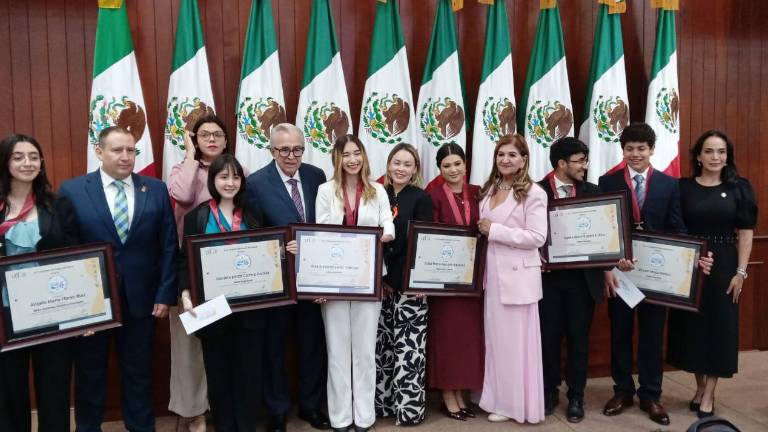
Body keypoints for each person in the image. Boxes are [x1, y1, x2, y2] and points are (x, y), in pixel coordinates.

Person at [59, 126, 178, 432]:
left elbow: (167, 246)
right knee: (90, 371)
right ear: (99, 152)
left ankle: (141, 427)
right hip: (92, 303)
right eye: (117, 150)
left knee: (138, 371)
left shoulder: (155, 188)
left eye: (131, 150)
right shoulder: (72, 191)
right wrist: (76, 306)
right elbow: (66, 251)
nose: (126, 157)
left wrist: (165, 294)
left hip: (142, 300)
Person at [598, 122, 689, 426]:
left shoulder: (669, 185)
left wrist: (682, 261)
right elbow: (603, 231)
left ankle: (651, 394)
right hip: (621, 276)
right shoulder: (607, 182)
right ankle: (623, 390)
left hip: (656, 277)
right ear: (622, 150)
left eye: (641, 148)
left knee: (651, 336)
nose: (635, 154)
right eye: (629, 148)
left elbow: (677, 228)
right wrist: (611, 263)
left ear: (652, 150)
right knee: (620, 334)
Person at [246, 123, 330, 431]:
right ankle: (277, 410)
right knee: (275, 347)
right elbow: (253, 235)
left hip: (313, 277)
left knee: (312, 344)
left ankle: (310, 406)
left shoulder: (316, 175)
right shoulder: (255, 183)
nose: (291, 156)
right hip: (277, 281)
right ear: (271, 150)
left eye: (297, 149)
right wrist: (281, 246)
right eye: (284, 149)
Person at [667, 130, 757, 418]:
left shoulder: (739, 187)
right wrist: (689, 258)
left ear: (727, 155)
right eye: (709, 151)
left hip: (725, 266)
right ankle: (699, 385)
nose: (715, 157)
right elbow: (675, 227)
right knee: (691, 330)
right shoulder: (683, 187)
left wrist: (741, 272)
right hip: (690, 265)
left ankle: (709, 394)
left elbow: (745, 232)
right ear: (698, 155)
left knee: (720, 328)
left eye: (721, 151)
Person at [177, 154, 266, 431]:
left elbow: (265, 256)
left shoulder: (253, 215)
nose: (230, 183)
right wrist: (185, 293)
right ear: (213, 180)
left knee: (249, 374)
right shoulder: (197, 217)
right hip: (211, 311)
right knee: (218, 374)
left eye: (235, 177)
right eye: (224, 176)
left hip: (248, 310)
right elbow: (184, 261)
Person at [0, 134, 79, 431]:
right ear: (5, 162)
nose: (27, 163)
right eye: (18, 157)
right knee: (8, 392)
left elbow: (76, 258)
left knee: (55, 388)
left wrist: (84, 310)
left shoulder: (58, 205)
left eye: (33, 156)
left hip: (52, 311)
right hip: (5, 316)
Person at [315, 134, 395, 432]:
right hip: (334, 277)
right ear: (337, 158)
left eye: (357, 153)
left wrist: (385, 233)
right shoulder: (325, 190)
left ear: (363, 156)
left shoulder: (377, 189)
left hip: (368, 275)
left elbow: (388, 220)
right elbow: (320, 230)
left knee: (364, 351)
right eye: (346, 154)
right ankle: (340, 417)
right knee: (337, 350)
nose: (352, 159)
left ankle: (364, 416)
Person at [167, 114, 233, 432]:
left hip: (229, 271)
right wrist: (191, 158)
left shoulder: (236, 171)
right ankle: (192, 411)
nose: (211, 139)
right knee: (189, 344)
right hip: (190, 269)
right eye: (204, 134)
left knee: (222, 343)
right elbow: (181, 196)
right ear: (194, 139)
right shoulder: (183, 169)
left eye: (217, 134)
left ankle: (220, 407)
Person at [476, 134, 547, 424]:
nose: (505, 159)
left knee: (515, 346)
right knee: (495, 343)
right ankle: (495, 397)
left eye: (512, 155)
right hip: (489, 277)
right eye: (501, 154)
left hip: (517, 280)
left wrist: (495, 231)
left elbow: (537, 237)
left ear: (524, 160)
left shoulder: (534, 193)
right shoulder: (489, 188)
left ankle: (515, 405)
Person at [536, 138, 604, 423]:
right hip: (547, 280)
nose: (584, 166)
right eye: (579, 161)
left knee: (579, 340)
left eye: (585, 160)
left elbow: (603, 233)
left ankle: (576, 396)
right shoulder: (535, 191)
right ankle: (549, 391)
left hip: (582, 280)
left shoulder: (594, 191)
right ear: (561, 163)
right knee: (548, 339)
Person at [374, 143, 432, 425]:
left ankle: (408, 411)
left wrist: (415, 280)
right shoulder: (376, 194)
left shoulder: (421, 198)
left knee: (410, 351)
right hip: (379, 283)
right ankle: (382, 406)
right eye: (396, 162)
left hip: (411, 285)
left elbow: (423, 242)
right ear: (388, 165)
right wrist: (381, 277)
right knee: (382, 350)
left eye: (407, 164)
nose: (400, 168)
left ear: (415, 170)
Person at [426, 143, 484, 421]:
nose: (453, 170)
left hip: (473, 279)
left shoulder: (478, 193)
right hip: (445, 281)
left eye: (457, 164)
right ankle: (448, 394)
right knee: (447, 337)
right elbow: (428, 237)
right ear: (440, 169)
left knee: (467, 339)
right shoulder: (433, 196)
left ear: (465, 164)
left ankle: (461, 391)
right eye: (447, 165)